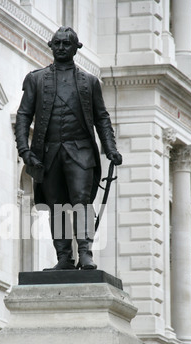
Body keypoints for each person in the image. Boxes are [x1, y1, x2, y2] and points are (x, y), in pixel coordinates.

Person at [15, 26, 122, 270]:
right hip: (48, 152)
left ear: (76, 48)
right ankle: (64, 257)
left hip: (81, 151)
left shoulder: (90, 82)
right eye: (58, 43)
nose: (62, 47)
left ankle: (85, 252)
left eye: (67, 44)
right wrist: (25, 150)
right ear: (51, 46)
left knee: (82, 201)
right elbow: (23, 116)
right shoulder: (36, 79)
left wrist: (110, 148)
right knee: (58, 206)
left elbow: (101, 118)